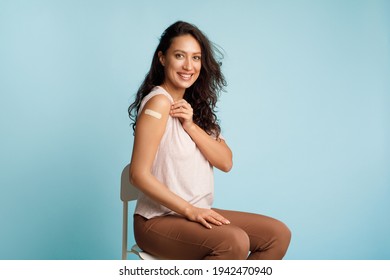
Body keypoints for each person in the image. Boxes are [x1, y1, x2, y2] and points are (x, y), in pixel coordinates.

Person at [128, 21, 291, 260]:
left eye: (196, 58)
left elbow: (225, 162)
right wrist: (190, 211)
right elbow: (138, 174)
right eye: (180, 56)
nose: (188, 66)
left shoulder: (196, 109)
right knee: (233, 241)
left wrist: (191, 126)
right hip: (157, 221)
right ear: (163, 58)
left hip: (195, 213)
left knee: (276, 235)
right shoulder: (158, 103)